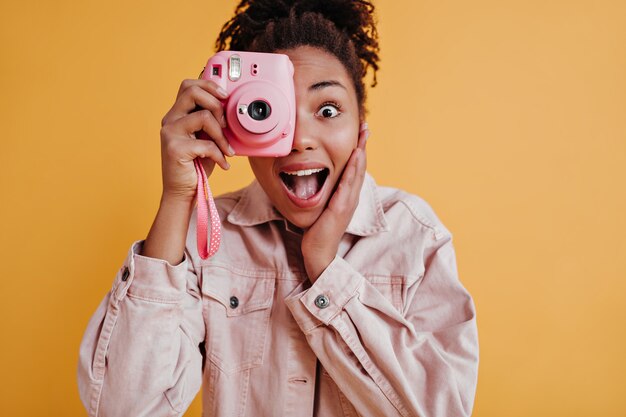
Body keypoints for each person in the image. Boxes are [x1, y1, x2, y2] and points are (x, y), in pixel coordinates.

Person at [77, 1, 479, 416]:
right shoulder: (208, 239)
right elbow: (123, 409)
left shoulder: (414, 237)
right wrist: (178, 198)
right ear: (233, 122)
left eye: (327, 110)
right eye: (269, 112)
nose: (298, 138)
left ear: (360, 122)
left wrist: (325, 269)